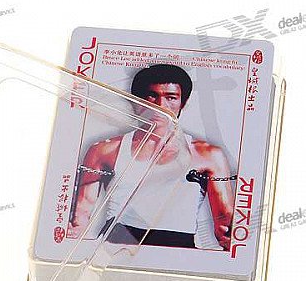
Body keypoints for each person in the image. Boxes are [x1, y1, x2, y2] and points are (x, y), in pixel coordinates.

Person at [70, 64, 234, 250]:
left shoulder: (208, 155)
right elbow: (80, 217)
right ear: (137, 101)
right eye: (152, 96)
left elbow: (225, 225)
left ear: (183, 102)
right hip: (115, 244)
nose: (161, 106)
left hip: (178, 248)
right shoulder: (104, 150)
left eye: (171, 97)